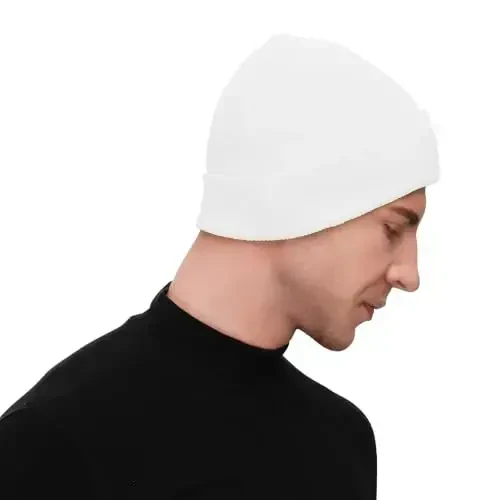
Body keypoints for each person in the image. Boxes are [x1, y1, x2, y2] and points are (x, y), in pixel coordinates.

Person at [0, 33, 439, 499]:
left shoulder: (341, 442)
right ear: (296, 200)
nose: (409, 275)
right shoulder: (53, 442)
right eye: (393, 228)